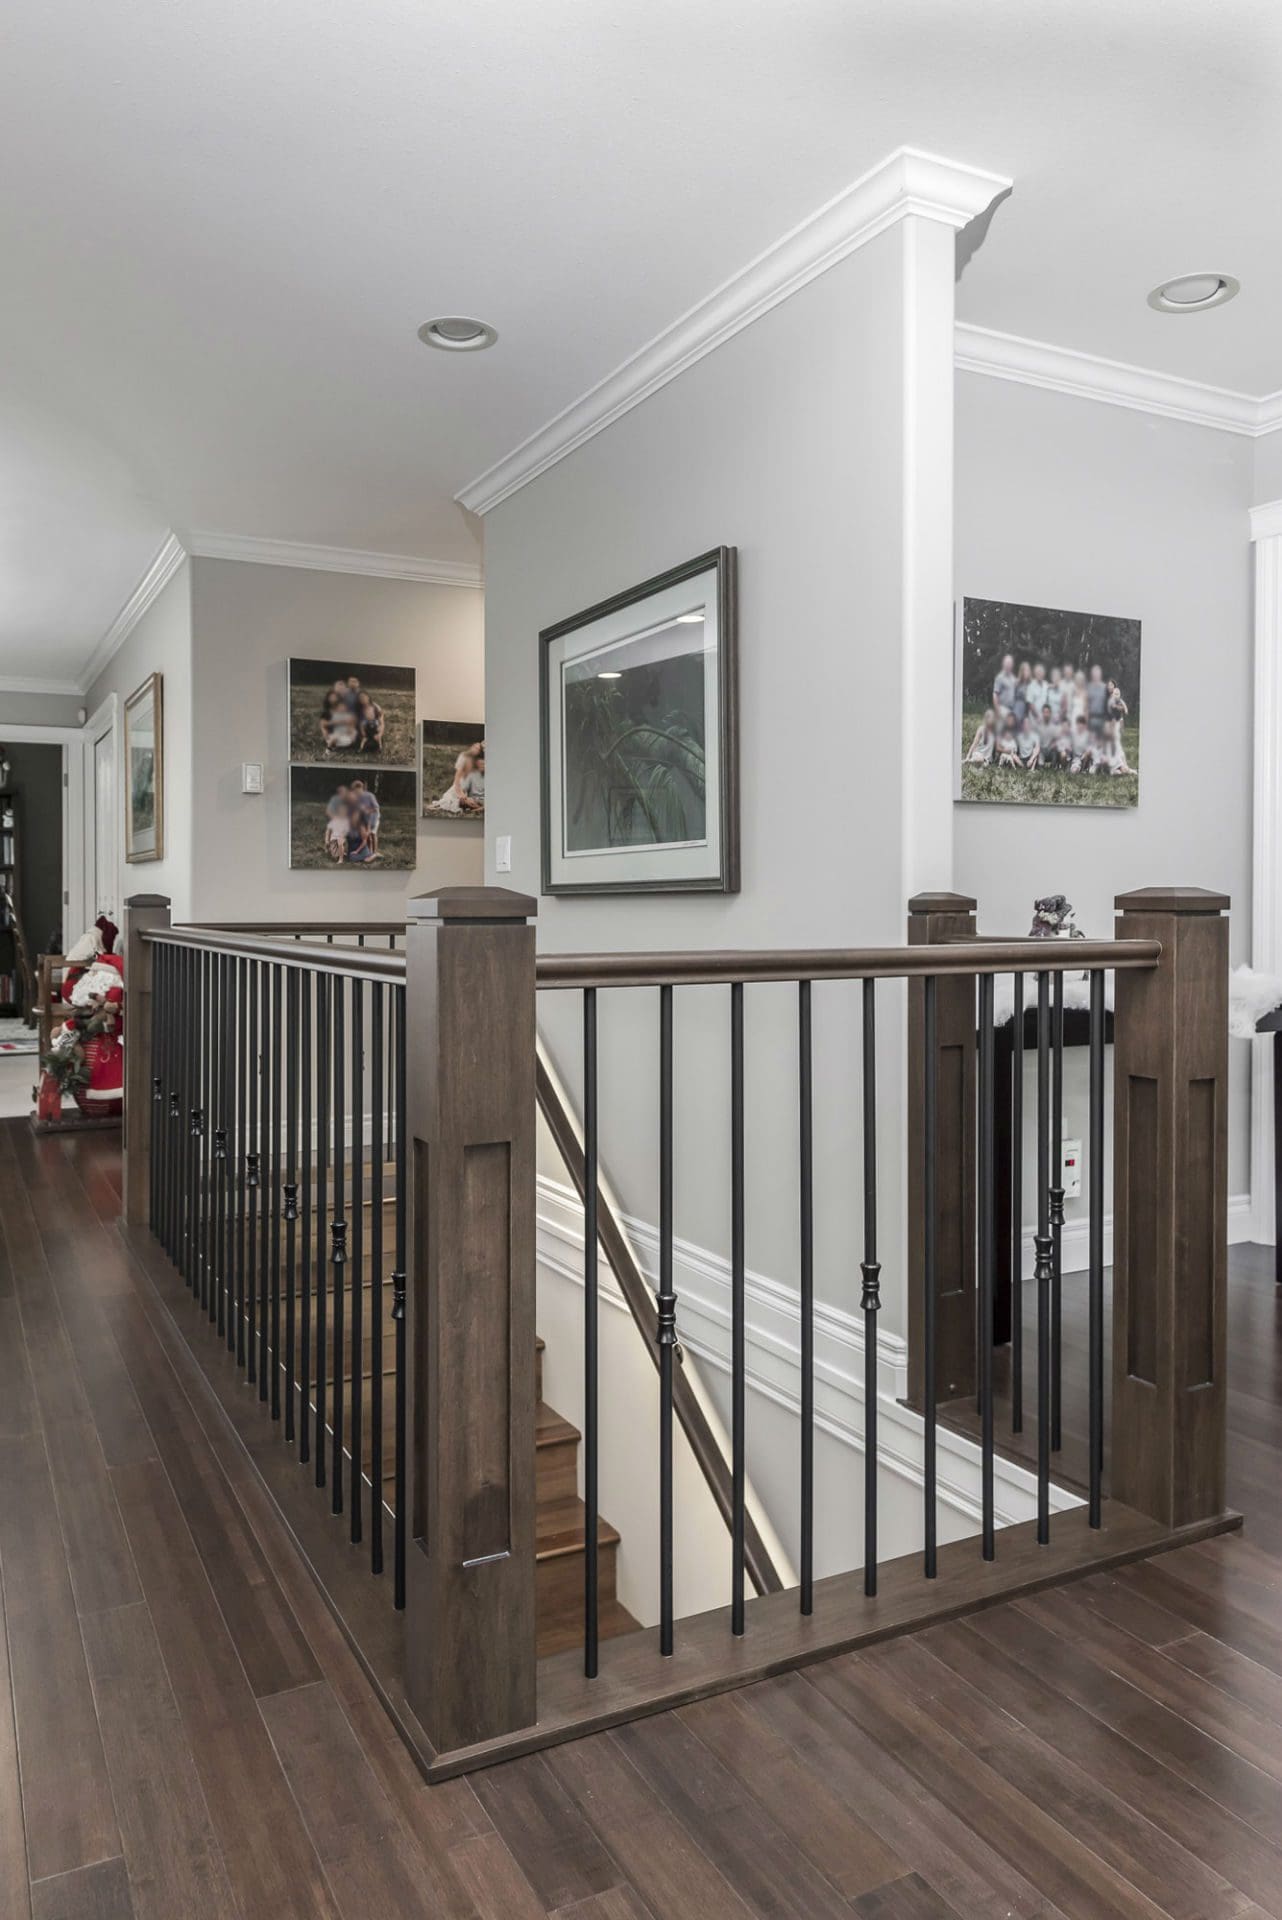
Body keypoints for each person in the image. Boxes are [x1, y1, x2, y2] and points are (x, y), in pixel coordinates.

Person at [324, 784, 353, 861]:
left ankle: (341, 859)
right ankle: (334, 851)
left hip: (342, 839)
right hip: (334, 839)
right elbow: (328, 830)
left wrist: (343, 836)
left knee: (341, 841)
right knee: (334, 856)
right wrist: (327, 841)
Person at [459, 743, 485, 812]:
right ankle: (479, 809)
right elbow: (462, 789)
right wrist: (463, 796)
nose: (482, 766)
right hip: (473, 800)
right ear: (477, 764)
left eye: (484, 764)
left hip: (484, 800)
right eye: (481, 764)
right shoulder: (472, 774)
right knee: (462, 801)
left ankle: (476, 809)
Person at [1086, 663, 1109, 737]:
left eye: (1097, 673)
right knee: (1091, 743)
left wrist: (1107, 721)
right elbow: (1086, 704)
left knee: (1101, 743)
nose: (1096, 675)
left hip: (1102, 719)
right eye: (1094, 674)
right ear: (1092, 675)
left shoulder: (1105, 688)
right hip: (1091, 719)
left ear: (1100, 674)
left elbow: (1107, 705)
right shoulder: (1088, 687)